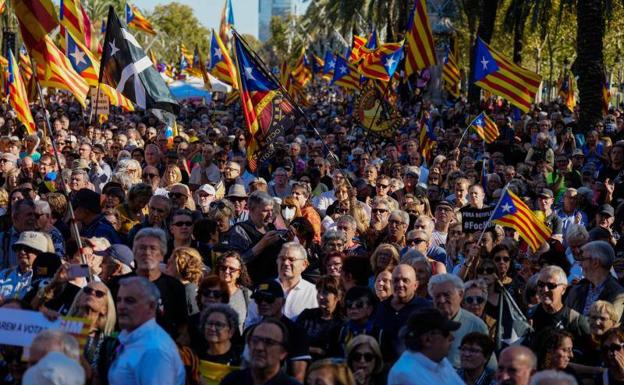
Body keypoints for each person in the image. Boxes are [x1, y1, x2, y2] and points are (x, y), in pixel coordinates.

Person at [108, 276, 185, 385]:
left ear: (151, 306)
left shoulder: (155, 350)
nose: (121, 306)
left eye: (130, 301)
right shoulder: (133, 338)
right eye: (119, 300)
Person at [246, 280, 311, 382]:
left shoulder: (296, 332)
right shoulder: (251, 331)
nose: (263, 303)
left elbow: (298, 376)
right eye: (259, 299)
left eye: (269, 299)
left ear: (283, 302)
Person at [388, 307, 464, 385]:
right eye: (446, 333)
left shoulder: (440, 360)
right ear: (427, 340)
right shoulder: (405, 375)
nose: (452, 337)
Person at [428, 273, 489, 368]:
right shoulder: (424, 324)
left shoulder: (477, 326)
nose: (442, 300)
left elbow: (489, 367)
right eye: (437, 296)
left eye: (446, 295)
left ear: (460, 295)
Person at [373, 264, 430, 363]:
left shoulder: (426, 309)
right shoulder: (380, 308)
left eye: (405, 280)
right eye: (395, 280)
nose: (400, 284)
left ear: (415, 285)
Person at [229, 191, 287, 284]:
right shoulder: (240, 230)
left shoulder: (271, 227)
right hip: (253, 284)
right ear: (251, 210)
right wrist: (262, 244)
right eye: (265, 211)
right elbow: (238, 261)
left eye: (271, 210)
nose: (270, 214)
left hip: (274, 282)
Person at [221, 318, 301, 385]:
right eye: (255, 340)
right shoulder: (232, 381)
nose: (259, 347)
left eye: (269, 342)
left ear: (283, 353)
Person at [566, 240, 624, 320]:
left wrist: (575, 319)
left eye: (583, 258)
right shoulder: (577, 289)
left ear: (595, 263)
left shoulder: (618, 294)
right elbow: (564, 318)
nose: (580, 263)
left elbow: (607, 327)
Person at [296, 275, 343, 360]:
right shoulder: (307, 316)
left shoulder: (342, 322)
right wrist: (316, 350)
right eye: (319, 292)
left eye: (325, 292)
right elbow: (294, 342)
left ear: (338, 296)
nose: (320, 297)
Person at [0, 231, 49, 299]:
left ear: (40, 254)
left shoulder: (45, 278)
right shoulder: (4, 274)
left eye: (28, 249)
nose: (22, 252)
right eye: (19, 248)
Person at [215, 252, 253, 333]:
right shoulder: (208, 292)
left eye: (232, 269)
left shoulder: (247, 295)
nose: (227, 271)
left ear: (239, 273)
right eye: (223, 268)